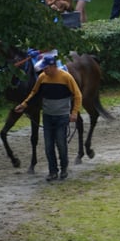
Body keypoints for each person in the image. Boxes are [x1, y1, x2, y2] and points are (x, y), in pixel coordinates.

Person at [14, 54, 82, 182]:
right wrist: (24, 104)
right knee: (48, 145)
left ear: (53, 66)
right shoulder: (42, 78)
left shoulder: (66, 77)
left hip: (62, 116)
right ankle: (53, 172)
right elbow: (35, 93)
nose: (43, 70)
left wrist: (74, 112)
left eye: (46, 68)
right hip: (48, 116)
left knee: (61, 144)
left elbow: (78, 95)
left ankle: (64, 168)